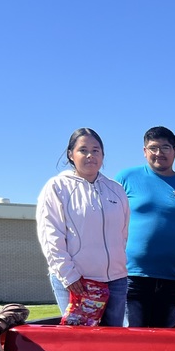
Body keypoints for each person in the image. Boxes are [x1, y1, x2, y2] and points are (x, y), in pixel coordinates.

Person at [37, 127, 130, 326]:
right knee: (82, 345)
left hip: (116, 281)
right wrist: (69, 275)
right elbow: (51, 235)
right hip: (79, 282)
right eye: (83, 150)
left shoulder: (116, 190)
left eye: (96, 150)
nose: (90, 155)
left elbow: (122, 234)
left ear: (103, 155)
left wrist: (118, 266)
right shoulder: (57, 187)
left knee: (113, 343)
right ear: (71, 155)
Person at [116, 127, 175, 328]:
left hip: (174, 280)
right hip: (132, 277)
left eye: (165, 147)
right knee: (133, 340)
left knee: (166, 342)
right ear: (144, 151)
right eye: (153, 148)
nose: (159, 153)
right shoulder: (125, 179)